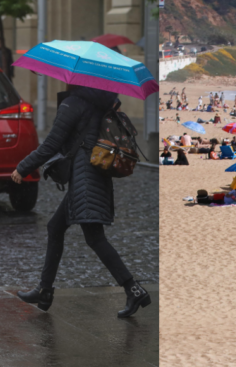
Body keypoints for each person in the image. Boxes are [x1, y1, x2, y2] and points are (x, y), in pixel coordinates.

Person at [12, 84, 151, 319]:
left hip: (85, 177)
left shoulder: (73, 104)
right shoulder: (100, 101)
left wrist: (23, 167)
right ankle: (44, 291)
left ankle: (133, 289)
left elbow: (51, 144)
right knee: (55, 227)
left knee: (95, 238)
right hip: (93, 174)